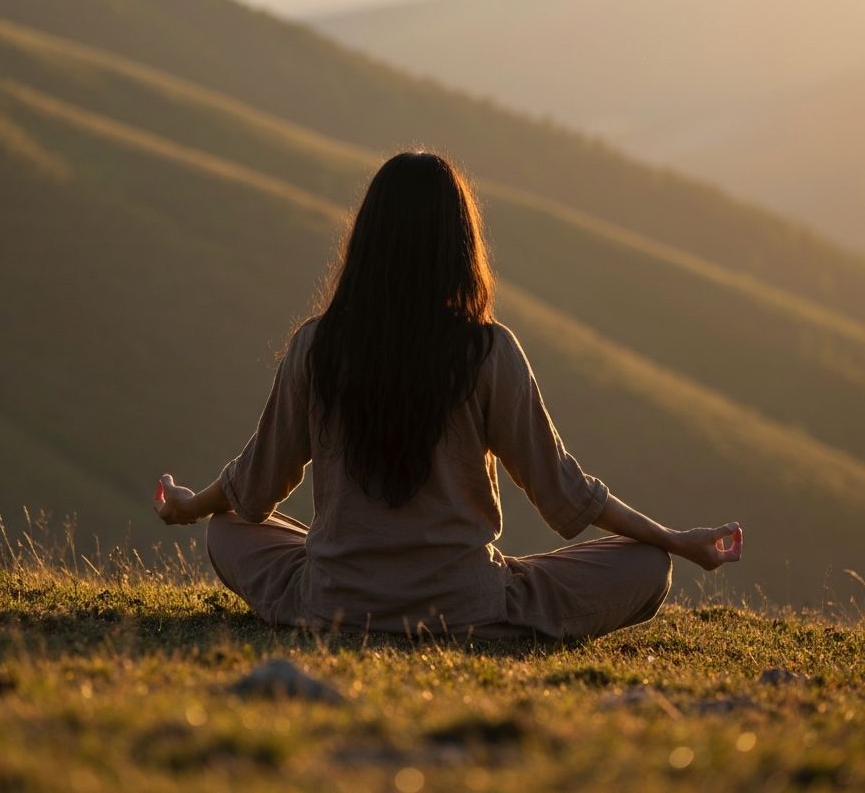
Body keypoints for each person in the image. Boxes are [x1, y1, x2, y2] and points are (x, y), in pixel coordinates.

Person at [154, 151, 742, 641]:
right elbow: (566, 496)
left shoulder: (318, 346)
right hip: (464, 606)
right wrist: (674, 541)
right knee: (645, 566)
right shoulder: (487, 353)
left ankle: (355, 594)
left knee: (225, 528)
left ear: (367, 242)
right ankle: (482, 624)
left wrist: (188, 507)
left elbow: (250, 491)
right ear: (460, 244)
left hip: (335, 601)